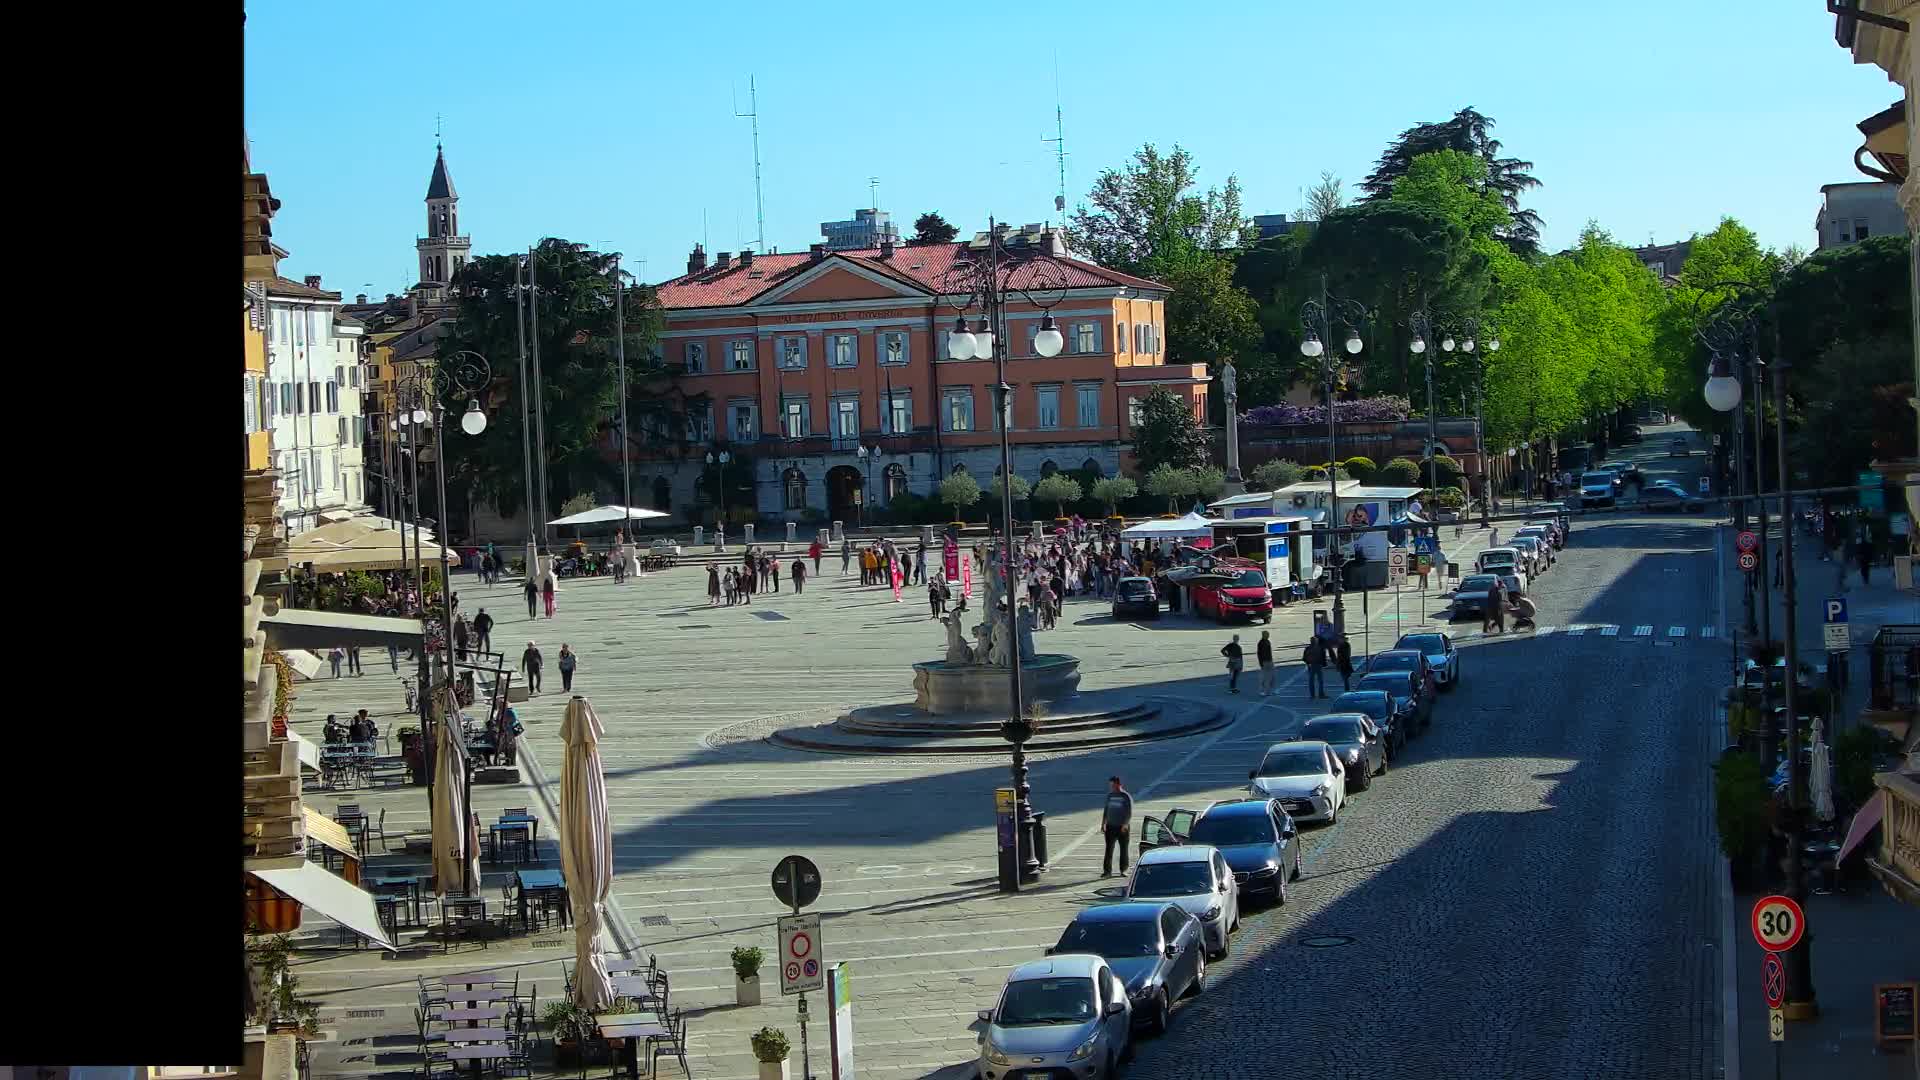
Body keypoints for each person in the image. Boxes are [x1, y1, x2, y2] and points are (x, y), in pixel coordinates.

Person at [1100, 776, 1134, 878]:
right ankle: (1107, 871)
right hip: (1110, 826)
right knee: (1109, 849)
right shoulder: (1110, 796)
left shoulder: (1125, 796)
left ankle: (1123, 870)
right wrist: (1103, 824)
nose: (1112, 787)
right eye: (1111, 785)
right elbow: (1106, 810)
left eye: (1113, 785)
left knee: (1124, 849)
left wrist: (1125, 824)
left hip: (1122, 827)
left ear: (1119, 784)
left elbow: (1129, 812)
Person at [1256, 630, 1275, 697]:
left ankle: (1269, 690)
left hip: (1269, 661)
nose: (1268, 635)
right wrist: (1261, 663)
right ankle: (1265, 691)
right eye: (1267, 634)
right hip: (1264, 661)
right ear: (1263, 635)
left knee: (1271, 677)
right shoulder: (1261, 643)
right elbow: (1259, 653)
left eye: (1268, 634)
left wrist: (1271, 660)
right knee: (1265, 677)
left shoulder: (1268, 641)